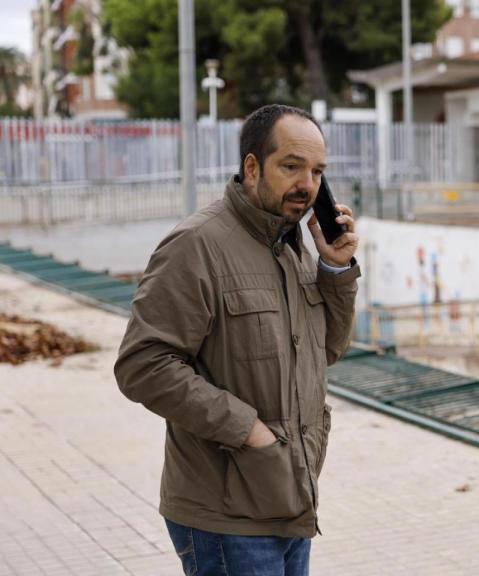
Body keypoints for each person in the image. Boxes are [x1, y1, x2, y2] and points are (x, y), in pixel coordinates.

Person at [114, 104, 360, 576]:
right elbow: (142, 366)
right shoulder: (196, 245)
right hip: (225, 515)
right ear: (252, 167)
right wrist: (249, 431)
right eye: (291, 166)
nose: (307, 185)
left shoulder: (294, 248)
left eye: (317, 171)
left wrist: (334, 270)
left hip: (290, 497)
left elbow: (327, 351)